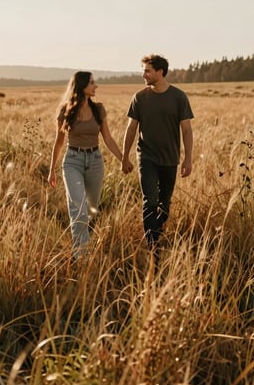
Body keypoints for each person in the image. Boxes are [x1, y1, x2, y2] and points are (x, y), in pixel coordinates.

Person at [122, 54, 194, 254]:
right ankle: (152, 247)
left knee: (164, 203)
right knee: (150, 201)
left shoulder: (179, 97)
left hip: (170, 158)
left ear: (160, 72)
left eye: (147, 70)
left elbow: (187, 130)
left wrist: (188, 159)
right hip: (147, 157)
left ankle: (157, 233)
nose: (143, 74)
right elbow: (131, 129)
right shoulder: (140, 97)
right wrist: (125, 156)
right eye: (143, 70)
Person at [48, 71, 123, 258]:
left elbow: (108, 138)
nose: (95, 86)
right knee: (78, 209)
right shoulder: (65, 111)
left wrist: (123, 159)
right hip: (73, 161)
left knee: (91, 210)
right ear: (82, 86)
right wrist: (52, 171)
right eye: (92, 83)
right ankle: (82, 256)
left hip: (95, 161)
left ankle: (81, 244)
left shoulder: (98, 109)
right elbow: (59, 142)